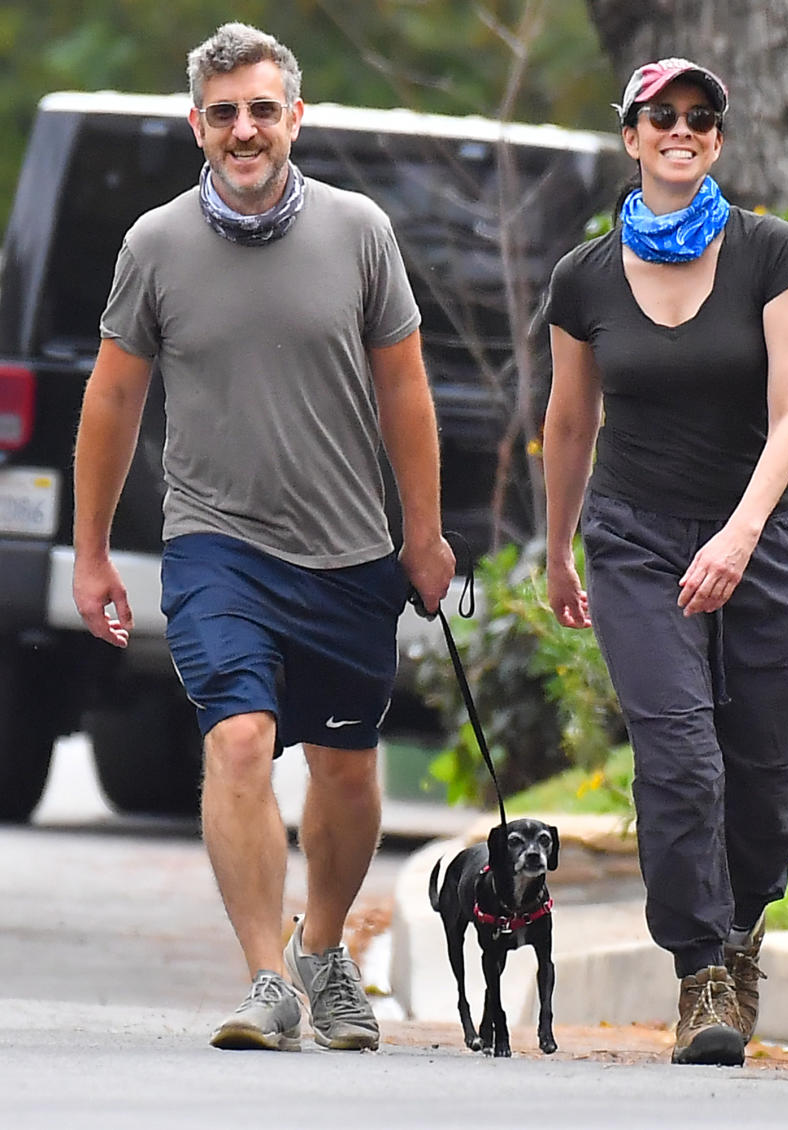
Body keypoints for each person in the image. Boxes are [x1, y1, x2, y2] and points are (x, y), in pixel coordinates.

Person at [72, 22, 455, 1052]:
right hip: (217, 545)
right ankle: (266, 974)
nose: (245, 130)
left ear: (294, 118)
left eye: (262, 109)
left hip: (347, 549)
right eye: (225, 113)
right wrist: (93, 548)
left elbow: (406, 388)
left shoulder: (360, 230)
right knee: (238, 738)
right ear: (197, 126)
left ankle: (323, 948)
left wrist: (423, 532)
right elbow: (112, 399)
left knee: (344, 767)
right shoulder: (154, 246)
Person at [541, 58, 788, 1067]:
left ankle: (743, 930)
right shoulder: (585, 276)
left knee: (763, 771)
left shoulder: (770, 254)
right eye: (663, 115)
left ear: (716, 138)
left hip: (759, 535)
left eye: (701, 118)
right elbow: (570, 420)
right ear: (630, 135)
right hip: (633, 538)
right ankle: (701, 969)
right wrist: (559, 545)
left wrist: (742, 533)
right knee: (678, 753)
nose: (683, 130)